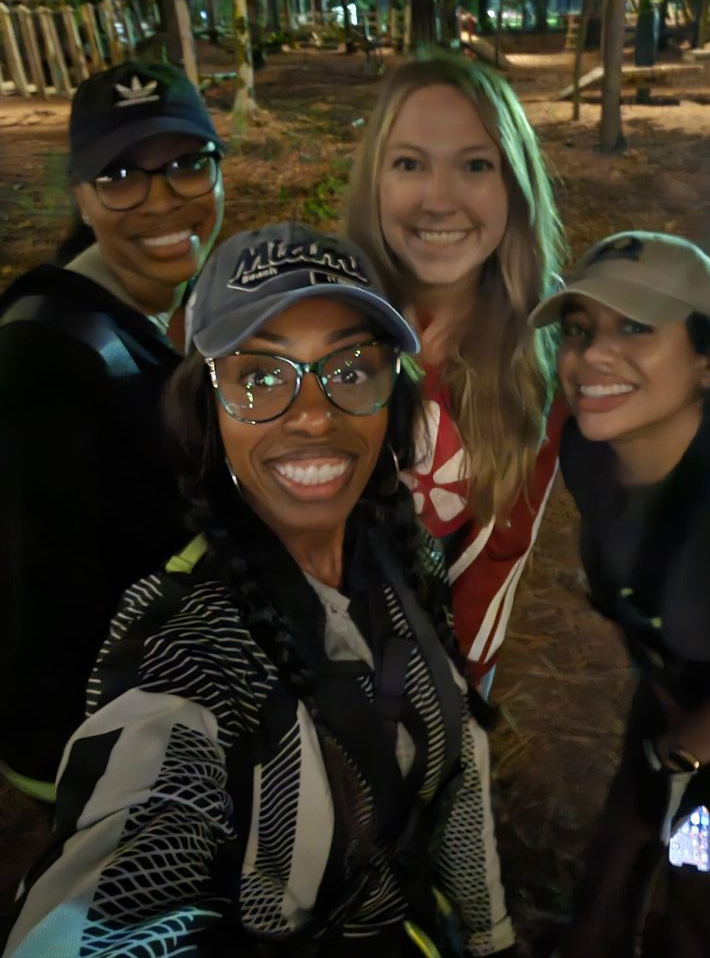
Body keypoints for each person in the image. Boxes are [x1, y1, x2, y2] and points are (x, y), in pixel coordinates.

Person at [3, 223, 516, 958]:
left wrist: (492, 936)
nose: (313, 414)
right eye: (261, 376)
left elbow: (458, 770)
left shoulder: (405, 553)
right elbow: (117, 877)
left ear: (392, 398)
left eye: (351, 369)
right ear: (206, 410)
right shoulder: (184, 643)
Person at [0, 60, 224, 890]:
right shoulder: (44, 361)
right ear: (83, 198)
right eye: (121, 176)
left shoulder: (148, 312)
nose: (162, 200)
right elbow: (53, 596)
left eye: (187, 165)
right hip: (91, 743)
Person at [530, 231, 710, 956]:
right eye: (580, 329)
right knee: (626, 840)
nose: (592, 354)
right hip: (676, 697)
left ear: (707, 361)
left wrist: (674, 761)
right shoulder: (588, 451)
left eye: (636, 327)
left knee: (703, 875)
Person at [346, 54, 567, 687]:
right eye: (409, 163)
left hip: (446, 664)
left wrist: (456, 684)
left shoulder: (541, 341)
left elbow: (503, 545)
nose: (439, 200)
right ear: (374, 182)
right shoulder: (325, 316)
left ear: (514, 187)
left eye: (475, 165)